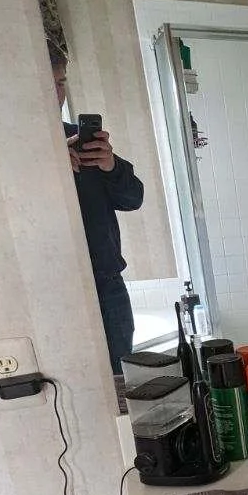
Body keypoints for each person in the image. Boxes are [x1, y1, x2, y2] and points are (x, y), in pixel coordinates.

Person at [52, 50, 145, 373]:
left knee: (119, 378)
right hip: (54, 287)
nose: (57, 94)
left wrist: (111, 165)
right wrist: (48, 166)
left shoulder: (80, 142)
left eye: (61, 83)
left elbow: (133, 199)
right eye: (48, 84)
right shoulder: (14, 151)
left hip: (107, 284)